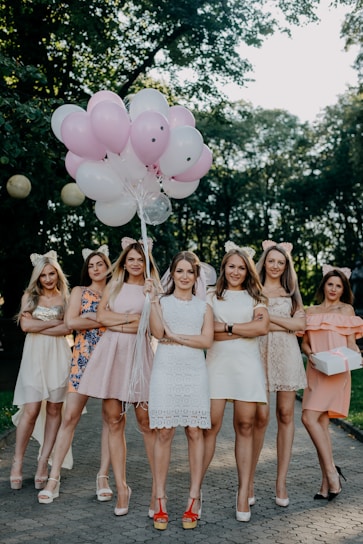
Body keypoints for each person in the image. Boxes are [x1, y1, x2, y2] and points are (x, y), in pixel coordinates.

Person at [77, 238, 160, 517]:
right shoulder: (113, 284)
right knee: (113, 419)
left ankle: (156, 489)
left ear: (146, 262)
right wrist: (129, 321)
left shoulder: (153, 288)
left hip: (138, 355)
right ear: (124, 261)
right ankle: (122, 487)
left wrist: (121, 318)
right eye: (131, 259)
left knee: (146, 421)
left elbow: (150, 323)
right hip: (111, 353)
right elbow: (101, 315)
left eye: (140, 259)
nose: (135, 263)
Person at [38, 246, 114, 504]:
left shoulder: (117, 291)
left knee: (111, 420)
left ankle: (103, 476)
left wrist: (90, 317)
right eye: (91, 265)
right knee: (69, 417)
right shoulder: (80, 292)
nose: (96, 268)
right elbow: (71, 323)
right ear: (87, 269)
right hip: (82, 357)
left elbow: (124, 321)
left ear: (108, 267)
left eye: (100, 264)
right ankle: (53, 477)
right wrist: (104, 318)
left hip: (111, 357)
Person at [146, 251, 214, 531]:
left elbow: (207, 340)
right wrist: (151, 301)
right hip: (165, 369)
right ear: (171, 274)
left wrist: (177, 337)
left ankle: (194, 497)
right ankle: (159, 497)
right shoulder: (160, 302)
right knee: (164, 431)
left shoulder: (204, 307)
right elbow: (157, 333)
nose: (184, 276)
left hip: (195, 372)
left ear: (196, 276)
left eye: (190, 272)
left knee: (195, 431)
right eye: (179, 271)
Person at [202, 241, 269, 523]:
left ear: (248, 271)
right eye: (232, 266)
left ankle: (243, 493)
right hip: (216, 366)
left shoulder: (257, 299)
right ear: (224, 268)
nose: (236, 271)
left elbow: (262, 327)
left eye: (242, 267)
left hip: (247, 367)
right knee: (210, 426)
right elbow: (206, 332)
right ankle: (196, 491)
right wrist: (243, 330)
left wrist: (227, 327)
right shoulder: (209, 297)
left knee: (245, 425)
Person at [248, 240, 307, 508]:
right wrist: (282, 323)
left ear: (286, 266)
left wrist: (270, 320)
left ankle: (280, 481)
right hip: (257, 354)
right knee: (260, 417)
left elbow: (300, 324)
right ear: (264, 262)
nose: (275, 266)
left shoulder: (291, 292)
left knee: (285, 414)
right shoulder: (253, 289)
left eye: (280, 262)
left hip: (286, 356)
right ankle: (247, 480)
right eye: (271, 261)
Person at [10, 250, 71, 490]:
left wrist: (41, 326)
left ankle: (43, 463)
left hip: (58, 357)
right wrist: (54, 323)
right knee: (32, 408)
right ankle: (17, 462)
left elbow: (67, 330)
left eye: (52, 273)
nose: (48, 279)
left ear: (57, 274)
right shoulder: (29, 296)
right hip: (34, 358)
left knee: (55, 408)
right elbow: (25, 325)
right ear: (38, 277)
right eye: (44, 275)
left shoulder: (65, 298)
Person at [301, 265, 363, 501]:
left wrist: (357, 357)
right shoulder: (311, 311)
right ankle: (327, 483)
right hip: (316, 369)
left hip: (337, 370)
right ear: (323, 286)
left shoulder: (346, 310)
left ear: (343, 288)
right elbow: (305, 343)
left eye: (338, 285)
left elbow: (350, 342)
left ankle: (331, 474)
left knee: (308, 417)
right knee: (321, 426)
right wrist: (311, 355)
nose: (334, 289)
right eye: (330, 284)